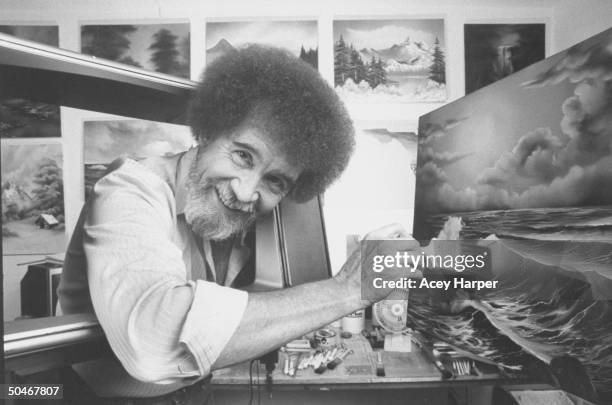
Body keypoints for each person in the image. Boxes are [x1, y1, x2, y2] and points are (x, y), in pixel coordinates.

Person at [58, 45, 411, 404]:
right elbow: (155, 346)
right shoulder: (129, 189)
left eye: (275, 181)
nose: (245, 192)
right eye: (243, 156)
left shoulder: (239, 218)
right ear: (208, 132)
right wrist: (349, 289)